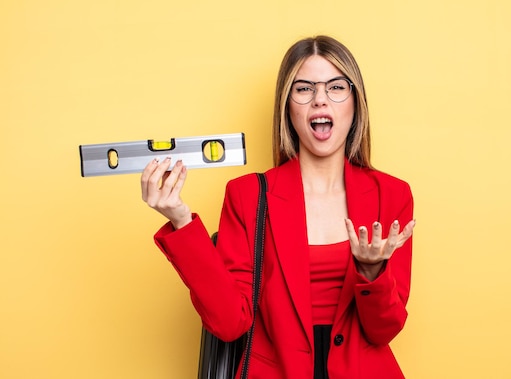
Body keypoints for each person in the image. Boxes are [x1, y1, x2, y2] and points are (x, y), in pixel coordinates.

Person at [141, 35, 416, 379]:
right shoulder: (248, 196)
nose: (320, 100)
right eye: (304, 89)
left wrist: (372, 273)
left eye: (335, 87)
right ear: (288, 106)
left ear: (355, 102)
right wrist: (182, 222)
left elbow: (383, 330)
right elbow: (229, 323)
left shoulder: (391, 195)